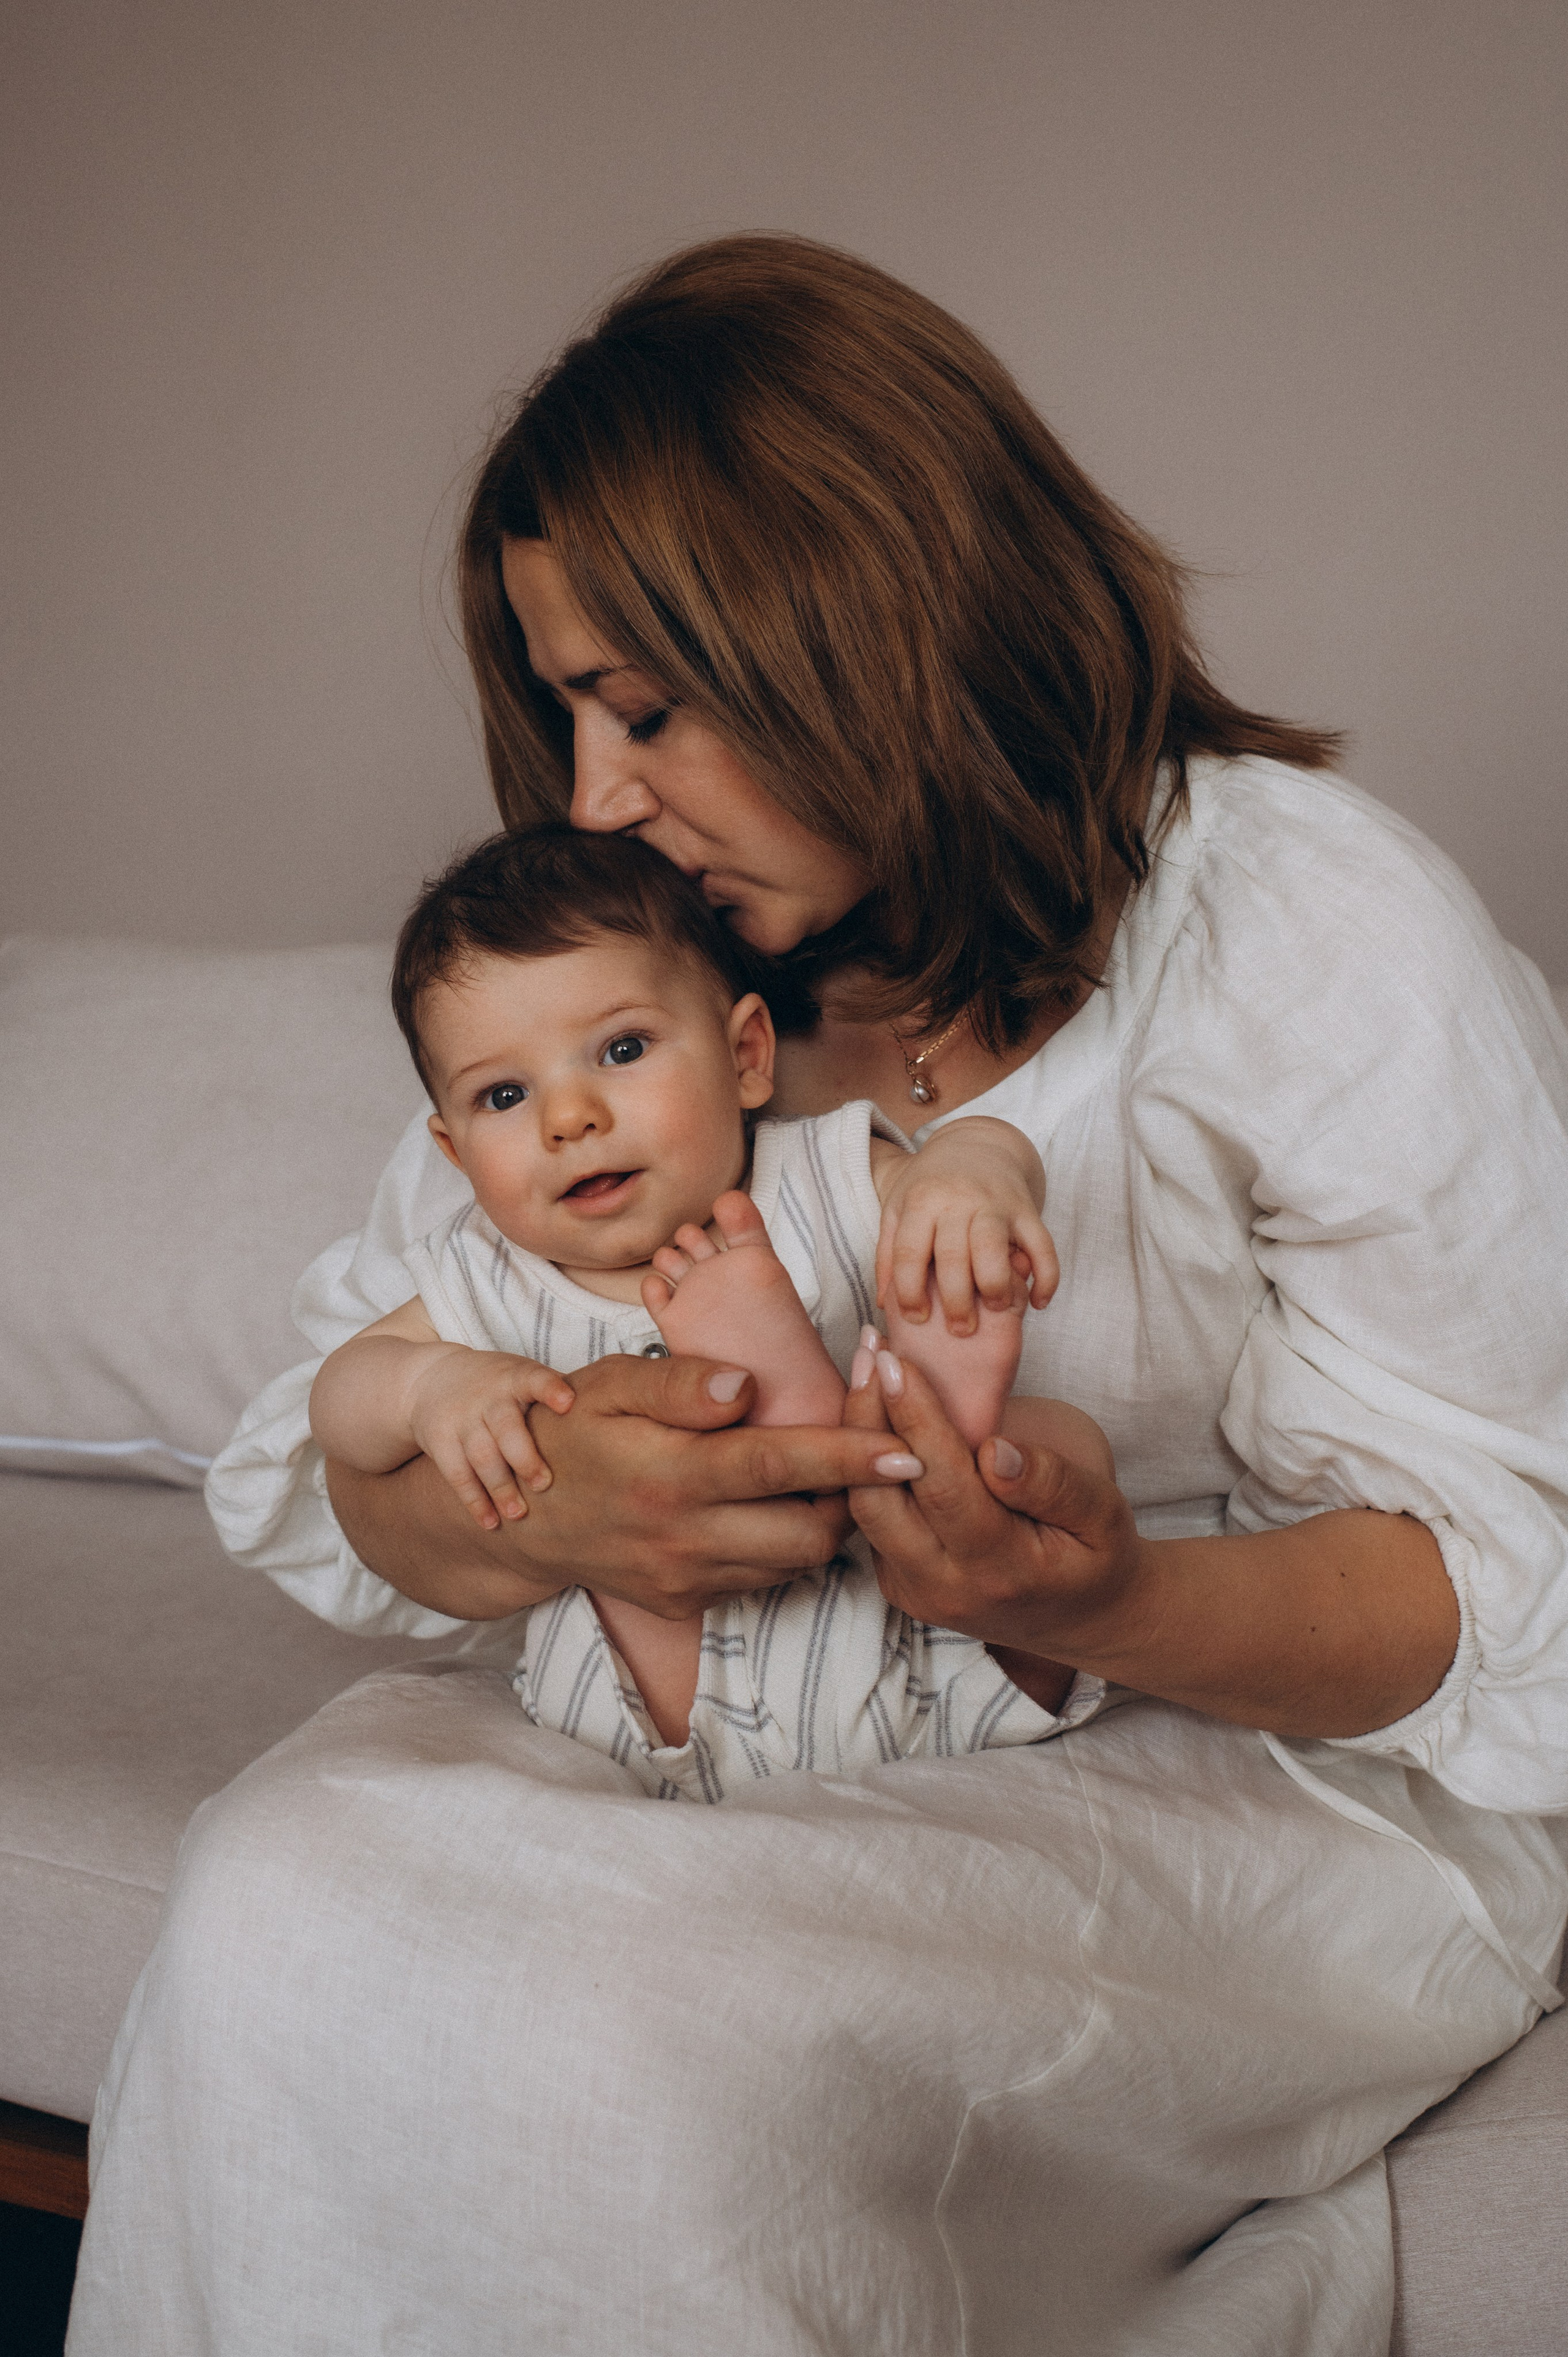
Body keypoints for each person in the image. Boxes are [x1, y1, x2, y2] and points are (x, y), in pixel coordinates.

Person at [66, 235, 1568, 2356]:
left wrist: (1093, 1598)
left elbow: (1502, 1590)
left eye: (647, 706)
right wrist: (557, 1503)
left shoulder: (1300, 921)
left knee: (644, 2021)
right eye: (567, 710)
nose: (594, 797)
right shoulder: (652, 985)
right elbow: (359, 1429)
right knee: (276, 1898)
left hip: (1245, 1764)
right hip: (734, 1723)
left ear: (865, 615)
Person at [306, 823, 1099, 1797]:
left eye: (623, 1048)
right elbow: (340, 1398)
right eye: (505, 1095)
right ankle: (796, 1402)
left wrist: (972, 1173)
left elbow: (979, 1142)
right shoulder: (480, 1275)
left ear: (748, 1057)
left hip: (927, 1633)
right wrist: (430, 1386)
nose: (569, 1118)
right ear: (454, 1152)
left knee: (1055, 1447)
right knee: (636, 1558)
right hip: (661, 1698)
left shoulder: (825, 1176)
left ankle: (927, 1410)